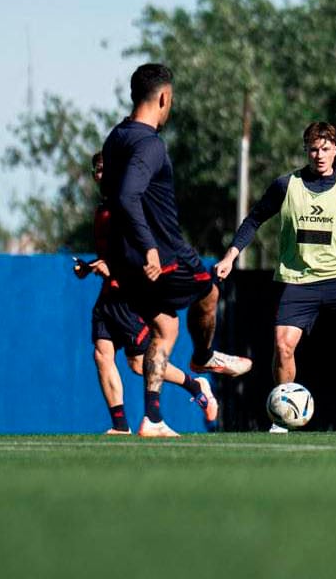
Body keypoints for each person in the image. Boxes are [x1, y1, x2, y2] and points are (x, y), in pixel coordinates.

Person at [216, 121, 336, 434]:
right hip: (298, 279)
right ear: (306, 150)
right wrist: (231, 255)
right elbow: (254, 219)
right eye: (313, 149)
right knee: (283, 346)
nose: (319, 155)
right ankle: (281, 418)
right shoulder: (286, 185)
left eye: (325, 149)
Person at [100, 63, 251, 438]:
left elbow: (114, 198)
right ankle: (203, 358)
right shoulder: (150, 143)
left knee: (165, 327)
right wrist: (150, 247)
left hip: (125, 261)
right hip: (163, 253)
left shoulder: (115, 138)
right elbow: (126, 195)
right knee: (209, 289)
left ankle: (152, 418)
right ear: (163, 97)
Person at [76, 149, 218, 434]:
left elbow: (143, 254)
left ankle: (194, 385)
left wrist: (113, 269)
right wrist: (91, 267)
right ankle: (120, 426)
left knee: (141, 365)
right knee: (101, 354)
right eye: (98, 170)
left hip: (132, 295)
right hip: (109, 295)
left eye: (107, 169)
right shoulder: (103, 211)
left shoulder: (130, 209)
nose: (102, 175)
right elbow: (111, 254)